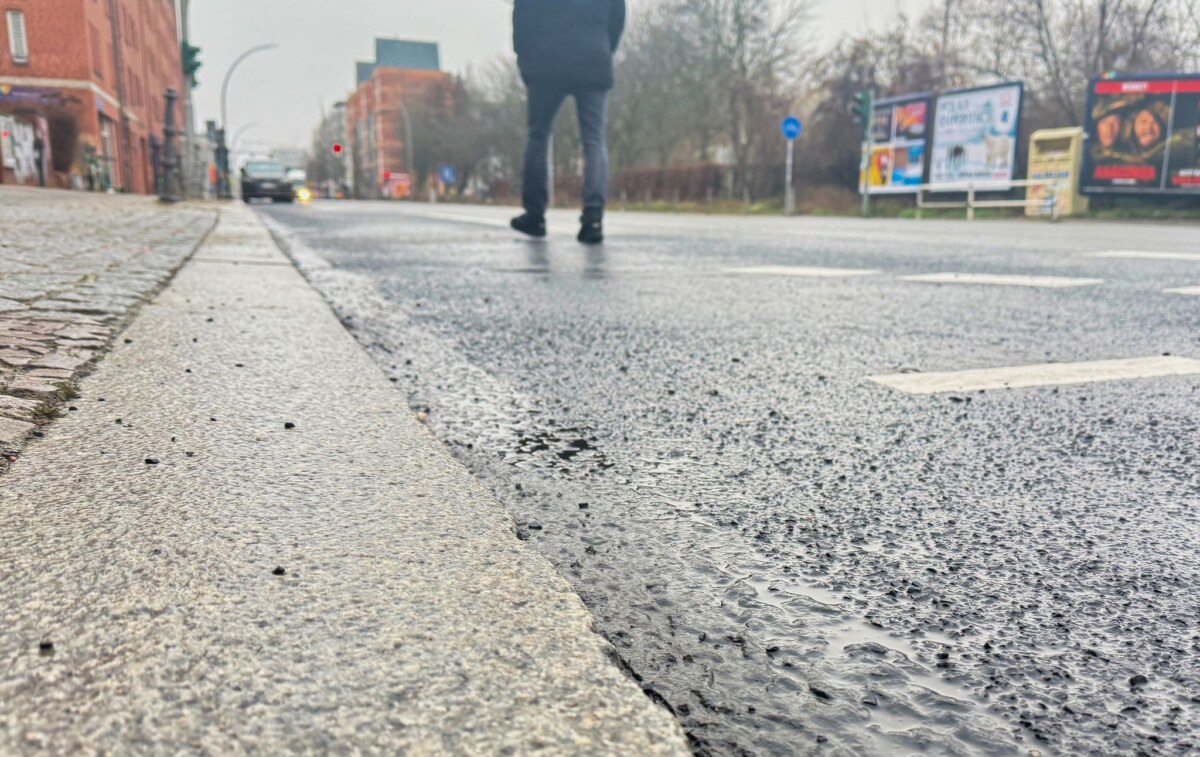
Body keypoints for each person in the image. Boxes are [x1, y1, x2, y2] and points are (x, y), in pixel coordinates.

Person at [510, 0, 626, 244]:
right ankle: (593, 217)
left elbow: (522, 18)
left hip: (546, 60)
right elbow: (617, 16)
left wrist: (524, 60)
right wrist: (603, 48)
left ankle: (535, 215)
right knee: (595, 139)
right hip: (593, 57)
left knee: (538, 136)